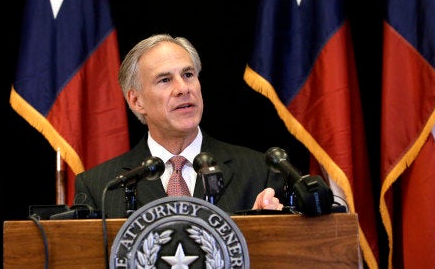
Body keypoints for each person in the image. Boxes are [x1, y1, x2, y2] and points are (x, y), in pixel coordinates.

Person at [74, 33, 286, 218]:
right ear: (136, 101)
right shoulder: (99, 186)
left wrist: (259, 230)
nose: (183, 88)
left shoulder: (259, 171)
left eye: (188, 75)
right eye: (165, 80)